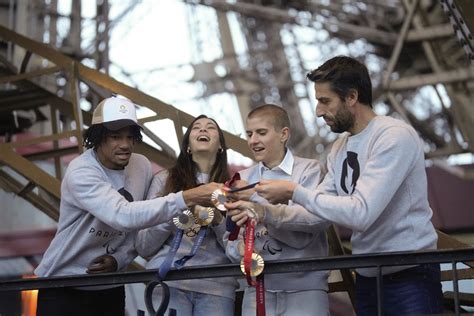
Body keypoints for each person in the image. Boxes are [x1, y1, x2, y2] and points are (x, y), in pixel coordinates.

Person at [228, 56, 443, 315]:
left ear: (351, 97)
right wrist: (264, 212)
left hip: (409, 274)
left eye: (325, 101)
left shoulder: (393, 136)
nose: (318, 111)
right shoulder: (339, 148)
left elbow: (361, 213)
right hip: (368, 276)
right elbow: (315, 213)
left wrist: (293, 191)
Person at [35, 97, 221, 316]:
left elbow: (141, 224)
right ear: (97, 138)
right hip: (64, 286)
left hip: (110, 284)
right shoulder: (82, 171)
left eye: (130, 137)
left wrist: (119, 259)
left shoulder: (140, 165)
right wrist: (188, 197)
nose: (125, 144)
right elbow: (123, 216)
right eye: (115, 137)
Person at [225, 104, 330, 316]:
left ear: (284, 134)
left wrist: (256, 204)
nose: (253, 140)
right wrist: (240, 252)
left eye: (261, 132)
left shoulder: (309, 170)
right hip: (255, 290)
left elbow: (304, 235)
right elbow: (231, 237)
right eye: (249, 133)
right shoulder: (241, 178)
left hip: (305, 290)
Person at [135, 115, 238, 316]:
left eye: (211, 127)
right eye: (196, 128)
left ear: (220, 146)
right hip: (167, 281)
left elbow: (241, 251)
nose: (203, 130)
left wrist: (217, 220)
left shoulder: (234, 186)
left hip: (217, 286)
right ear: (187, 146)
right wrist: (177, 210)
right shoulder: (164, 181)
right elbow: (143, 245)